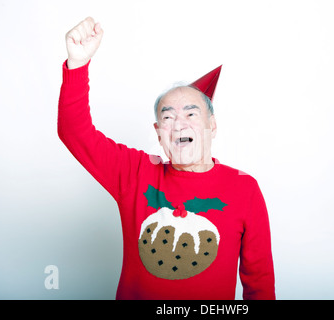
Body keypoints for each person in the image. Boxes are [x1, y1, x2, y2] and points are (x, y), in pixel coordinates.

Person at [58, 17, 275, 300]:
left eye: (191, 114)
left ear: (213, 126)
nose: (179, 124)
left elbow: (259, 284)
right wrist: (77, 65)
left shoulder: (245, 188)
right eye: (168, 117)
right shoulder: (135, 172)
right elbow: (75, 132)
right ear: (159, 133)